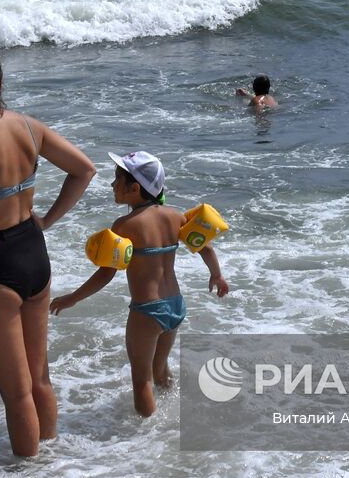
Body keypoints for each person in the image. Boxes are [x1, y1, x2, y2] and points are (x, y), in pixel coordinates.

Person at [0, 32, 95, 456]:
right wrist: (46, 219)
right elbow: (84, 170)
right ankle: (50, 470)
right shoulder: (29, 126)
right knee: (39, 378)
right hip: (33, 251)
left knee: (16, 393)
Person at [50, 150, 229, 417]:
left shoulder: (125, 225)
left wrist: (72, 298)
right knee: (160, 371)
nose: (112, 185)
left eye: (116, 180)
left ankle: (145, 439)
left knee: (141, 380)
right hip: (175, 306)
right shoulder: (175, 216)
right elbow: (204, 248)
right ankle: (172, 418)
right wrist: (216, 275)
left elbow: (105, 273)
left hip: (147, 311)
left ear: (135, 188)